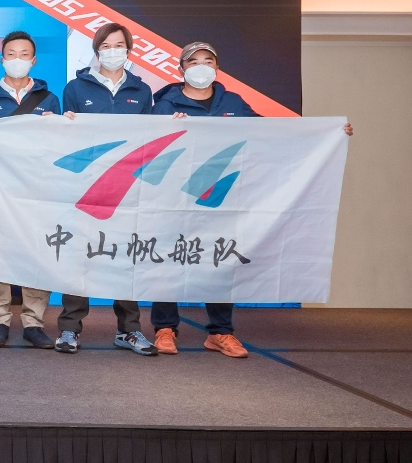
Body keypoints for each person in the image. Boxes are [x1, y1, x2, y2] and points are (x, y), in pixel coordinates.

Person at [148, 40, 354, 358]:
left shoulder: (233, 102)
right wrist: (164, 128)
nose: (201, 67)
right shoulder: (164, 105)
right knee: (170, 260)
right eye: (194, 62)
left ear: (217, 68)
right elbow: (147, 146)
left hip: (223, 197)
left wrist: (329, 132)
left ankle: (220, 332)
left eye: (208, 61)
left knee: (219, 260)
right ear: (181, 68)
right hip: (176, 197)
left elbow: (269, 133)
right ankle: (165, 329)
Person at [56, 22, 157, 357]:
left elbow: (149, 137)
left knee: (126, 254)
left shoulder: (141, 90)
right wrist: (66, 125)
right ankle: (70, 328)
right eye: (107, 46)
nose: (113, 51)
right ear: (97, 50)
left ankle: (129, 330)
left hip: (127, 185)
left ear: (128, 50)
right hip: (87, 184)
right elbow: (66, 140)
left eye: (119, 46)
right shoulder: (75, 87)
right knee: (79, 254)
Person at [0, 30, 61, 349]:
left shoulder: (48, 99)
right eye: (11, 54)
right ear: (2, 59)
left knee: (37, 252)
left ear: (34, 60)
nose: (17, 60)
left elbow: (58, 146)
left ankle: (34, 322)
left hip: (37, 188)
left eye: (24, 55)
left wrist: (59, 127)